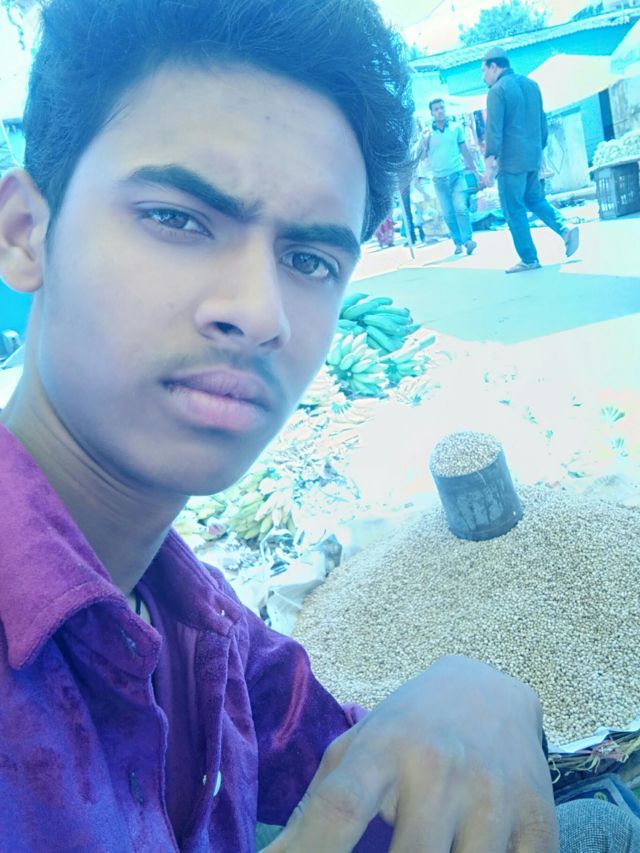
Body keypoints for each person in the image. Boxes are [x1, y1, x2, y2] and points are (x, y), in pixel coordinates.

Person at [0, 1, 639, 851]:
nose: (260, 312)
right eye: (178, 218)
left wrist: (476, 695)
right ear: (25, 234)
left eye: (308, 259)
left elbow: (344, 762)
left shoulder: (198, 621)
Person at [481, 46, 580, 274]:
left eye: (483, 71)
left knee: (513, 208)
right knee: (534, 199)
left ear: (494, 67)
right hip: (533, 156)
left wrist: (489, 162)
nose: (483, 77)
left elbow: (493, 130)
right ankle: (565, 227)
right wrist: (538, 149)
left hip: (511, 161)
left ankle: (529, 258)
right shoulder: (531, 85)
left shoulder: (497, 90)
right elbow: (542, 124)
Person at [418, 98, 479, 256]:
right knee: (448, 213)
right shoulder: (428, 133)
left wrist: (476, 171)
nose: (440, 111)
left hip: (457, 175)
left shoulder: (456, 127)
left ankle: (468, 241)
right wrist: (424, 141)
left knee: (461, 208)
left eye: (442, 108)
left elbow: (464, 150)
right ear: (432, 113)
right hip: (439, 179)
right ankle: (457, 242)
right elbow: (423, 157)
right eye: (436, 109)